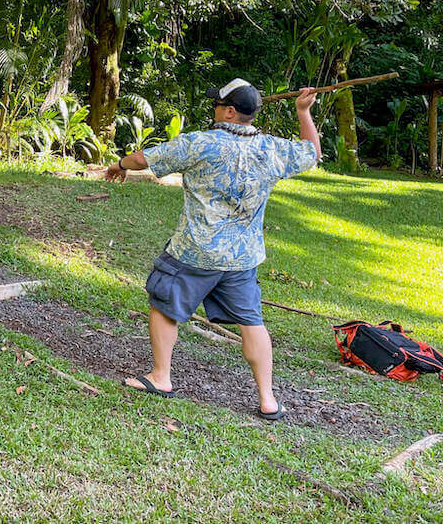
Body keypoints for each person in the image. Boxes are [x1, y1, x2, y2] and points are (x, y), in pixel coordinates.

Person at [105, 78, 321, 420]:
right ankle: (268, 399)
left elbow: (144, 158)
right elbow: (311, 153)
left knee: (163, 303)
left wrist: (118, 165)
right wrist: (303, 112)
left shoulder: (200, 143)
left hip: (194, 251)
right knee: (251, 321)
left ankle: (161, 376)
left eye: (218, 106)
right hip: (242, 257)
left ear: (231, 112)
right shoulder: (272, 149)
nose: (215, 111)